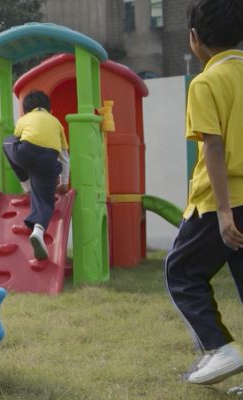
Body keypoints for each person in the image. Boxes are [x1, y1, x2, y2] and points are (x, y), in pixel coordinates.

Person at [164, 0, 243, 386]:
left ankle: (219, 348)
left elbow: (213, 146)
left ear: (194, 38)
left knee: (181, 271)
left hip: (219, 203)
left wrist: (224, 211)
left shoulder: (206, 82)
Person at [3, 90, 70, 260]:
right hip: (49, 160)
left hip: (25, 153)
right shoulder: (56, 123)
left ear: (25, 110)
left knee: (8, 141)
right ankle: (38, 231)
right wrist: (64, 182)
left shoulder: (23, 120)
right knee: (45, 201)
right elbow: (64, 157)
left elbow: (17, 139)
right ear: (49, 109)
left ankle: (26, 185)